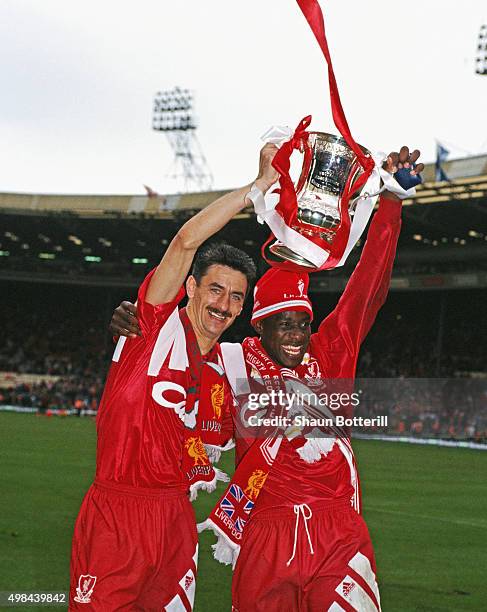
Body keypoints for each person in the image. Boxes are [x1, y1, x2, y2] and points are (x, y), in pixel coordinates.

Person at [111, 147, 423, 611]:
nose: (298, 334)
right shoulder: (231, 363)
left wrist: (392, 204)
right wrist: (136, 328)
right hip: (263, 533)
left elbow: (368, 290)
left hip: (336, 530)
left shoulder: (332, 352)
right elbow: (173, 358)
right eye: (285, 323)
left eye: (303, 321)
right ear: (259, 324)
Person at [69, 145, 279, 611]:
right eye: (216, 289)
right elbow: (185, 241)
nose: (224, 305)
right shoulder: (150, 326)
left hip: (176, 521)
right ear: (190, 288)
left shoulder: (231, 368)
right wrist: (256, 190)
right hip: (118, 513)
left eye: (237, 298)